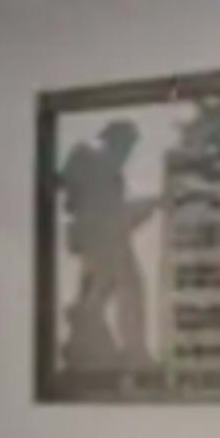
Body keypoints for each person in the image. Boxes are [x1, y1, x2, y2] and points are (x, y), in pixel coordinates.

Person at [58, 117, 162, 372]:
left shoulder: (111, 173)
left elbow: (117, 213)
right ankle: (108, 349)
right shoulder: (88, 158)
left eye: (130, 147)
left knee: (119, 294)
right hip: (101, 243)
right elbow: (74, 197)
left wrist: (150, 205)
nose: (127, 153)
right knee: (107, 295)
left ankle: (129, 351)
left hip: (111, 241)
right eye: (126, 145)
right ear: (113, 140)